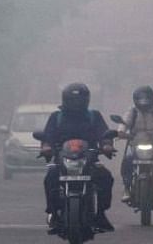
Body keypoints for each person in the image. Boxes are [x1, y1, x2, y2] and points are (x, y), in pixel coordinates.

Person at [40, 82, 115, 233]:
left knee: (106, 177)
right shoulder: (56, 117)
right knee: (50, 177)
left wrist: (107, 144)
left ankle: (100, 214)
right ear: (65, 99)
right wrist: (46, 147)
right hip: (62, 162)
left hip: (89, 161)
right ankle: (53, 213)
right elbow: (47, 136)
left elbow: (104, 133)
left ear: (86, 100)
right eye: (73, 100)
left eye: (79, 100)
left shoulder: (94, 116)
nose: (76, 103)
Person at [117, 85, 153, 205]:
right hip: (135, 143)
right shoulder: (132, 111)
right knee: (127, 160)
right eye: (141, 98)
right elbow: (125, 123)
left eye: (146, 98)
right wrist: (121, 131)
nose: (144, 101)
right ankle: (126, 188)